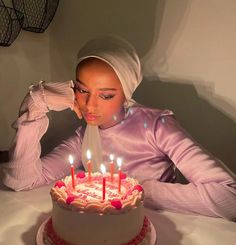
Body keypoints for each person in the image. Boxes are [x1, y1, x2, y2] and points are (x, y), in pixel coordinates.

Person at [2, 35, 236, 220]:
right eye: (83, 90)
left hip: (163, 235)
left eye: (106, 95)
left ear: (126, 93)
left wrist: (136, 191)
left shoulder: (156, 126)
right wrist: (37, 101)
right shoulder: (83, 137)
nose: (90, 105)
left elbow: (229, 196)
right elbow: (22, 180)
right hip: (103, 243)